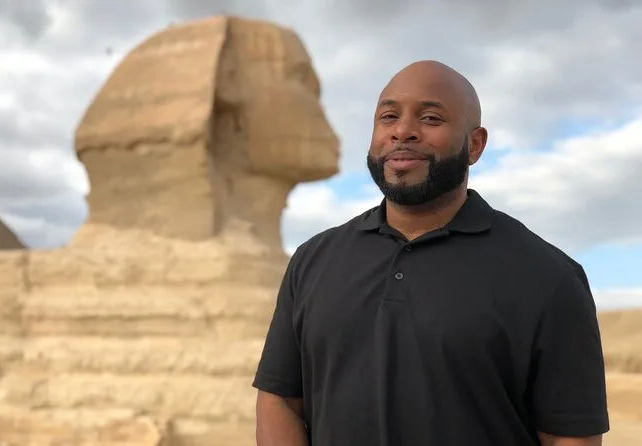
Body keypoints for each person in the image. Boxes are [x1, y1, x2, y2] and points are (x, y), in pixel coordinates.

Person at [252, 60, 610, 446]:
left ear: (475, 145)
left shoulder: (548, 277)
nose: (402, 131)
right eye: (389, 116)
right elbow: (280, 400)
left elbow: (571, 438)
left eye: (430, 118)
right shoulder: (313, 260)